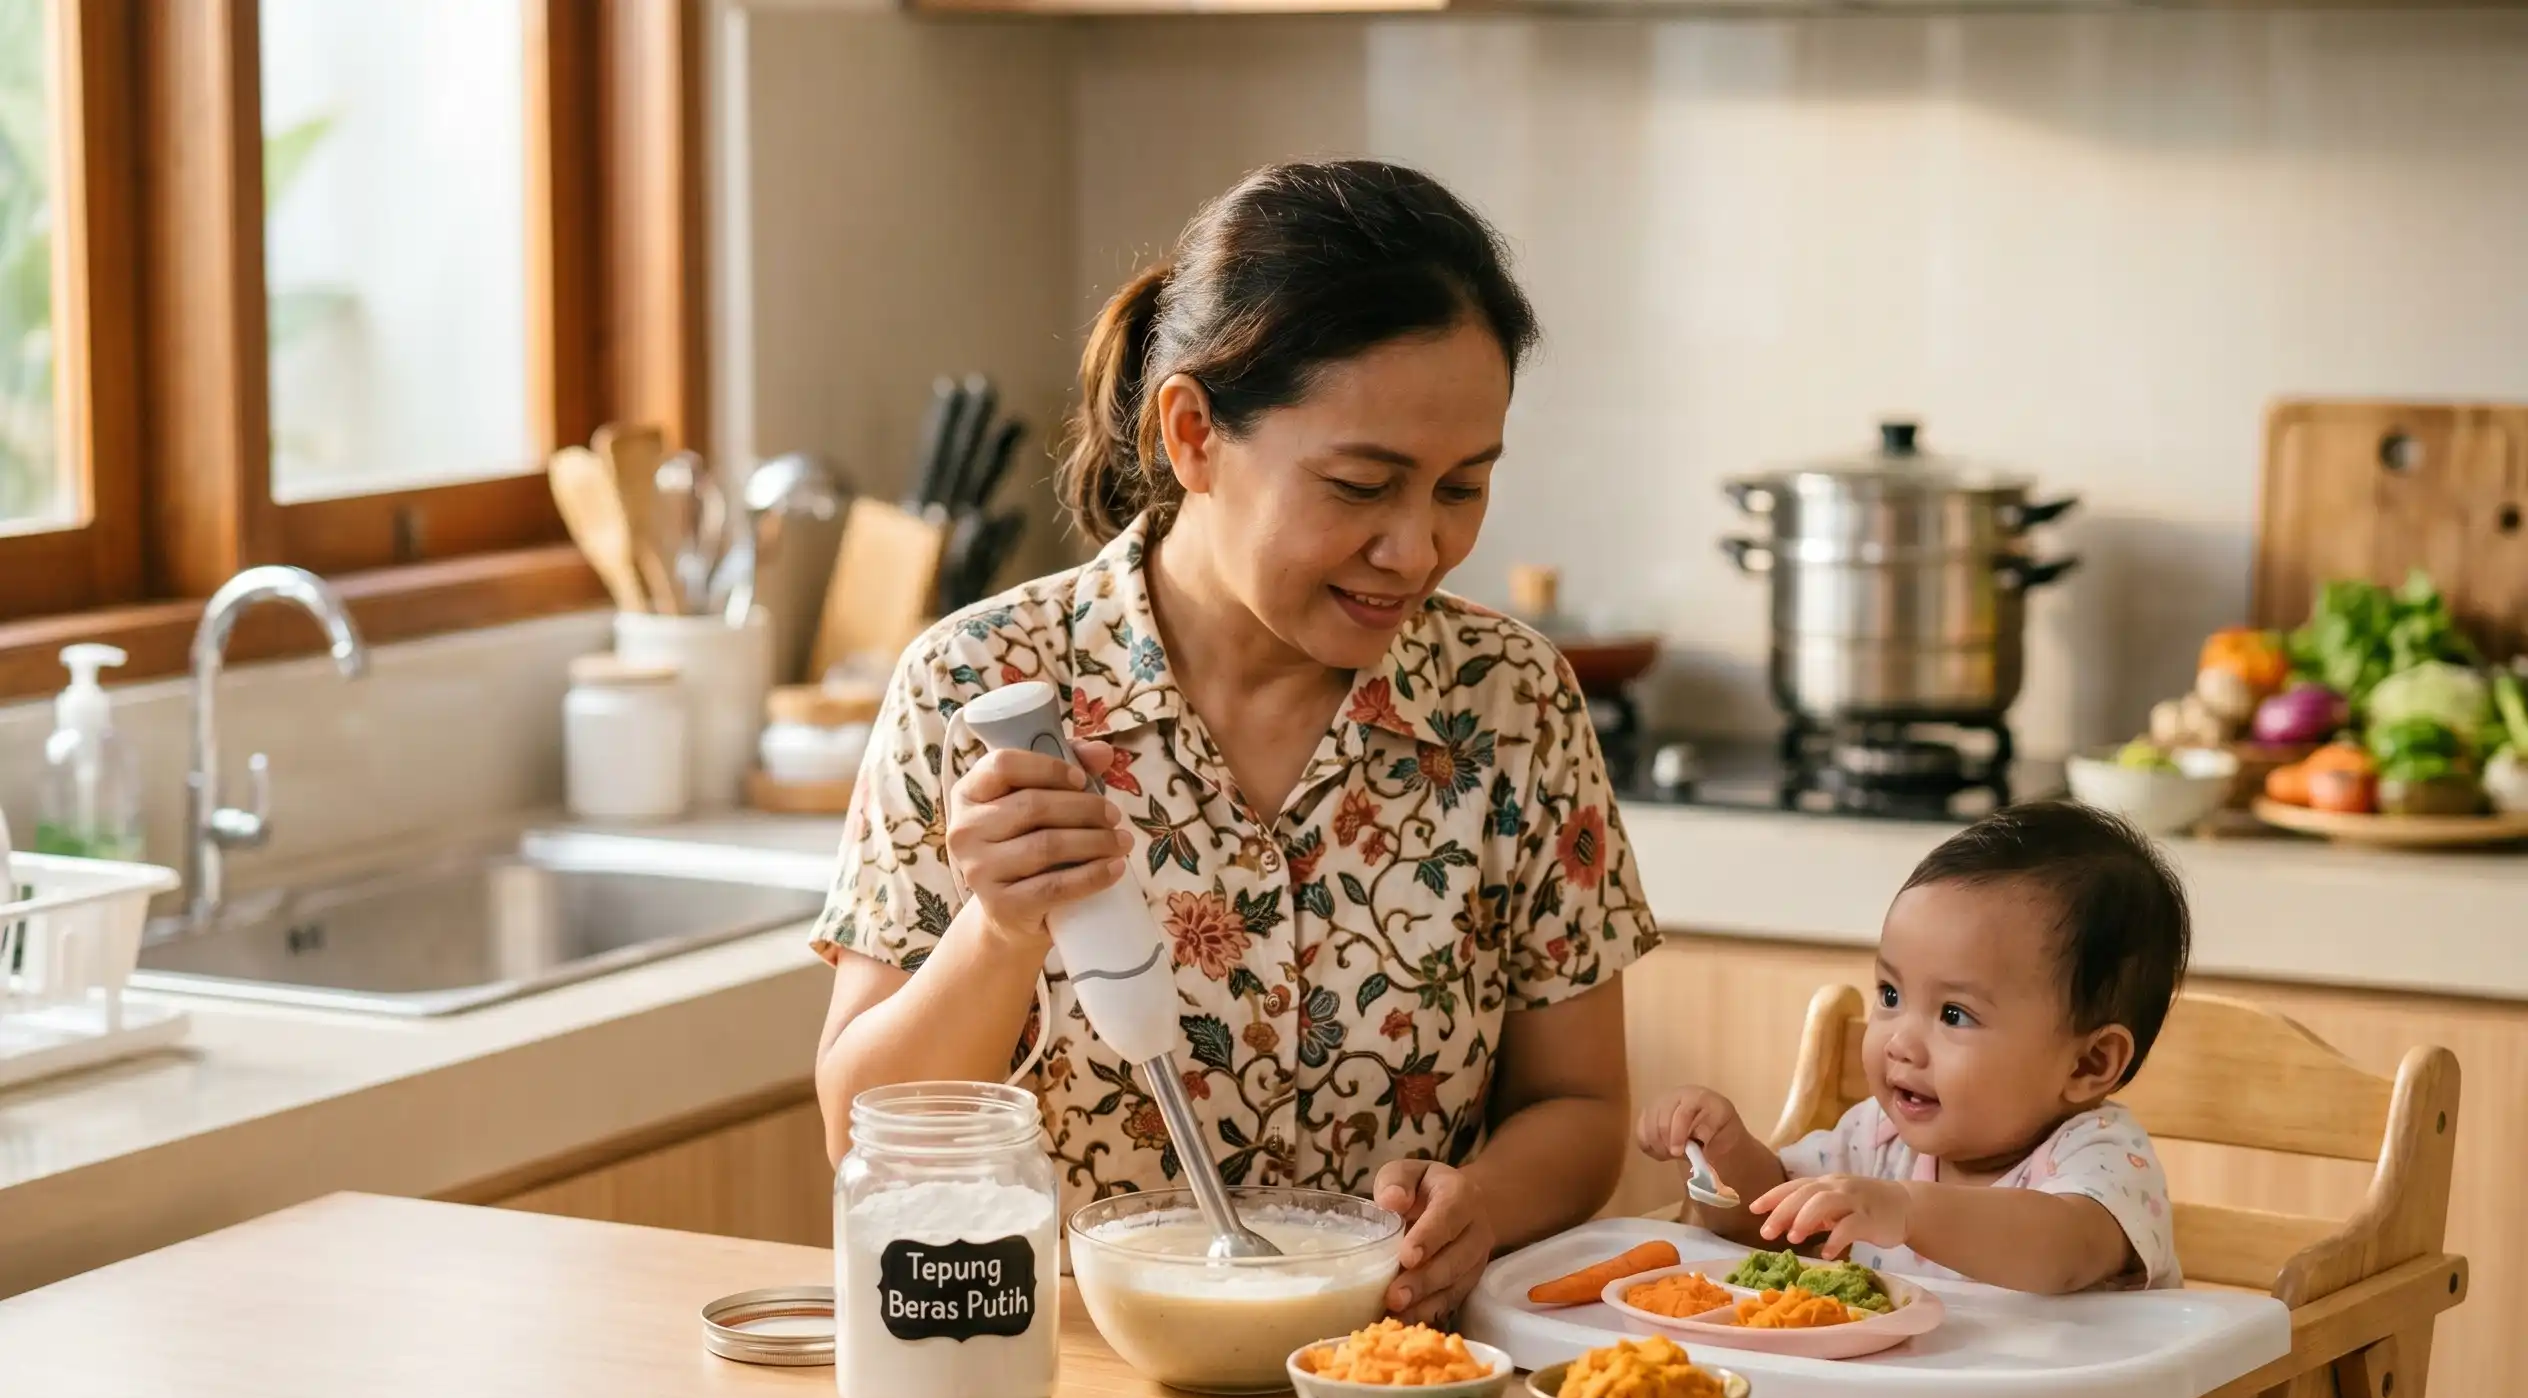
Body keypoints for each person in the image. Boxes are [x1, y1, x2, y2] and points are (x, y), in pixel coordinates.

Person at [813, 160, 1662, 1323]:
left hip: (1404, 1385)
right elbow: (864, 1128)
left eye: (1460, 488)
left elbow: (1578, 1107)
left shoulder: (1509, 702)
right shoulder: (978, 687)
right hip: (1073, 1381)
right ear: (1192, 431)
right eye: (1362, 485)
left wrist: (1484, 1204)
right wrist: (1000, 926)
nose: (1414, 551)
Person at [1636, 801, 2191, 1294]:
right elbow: (1780, 1222)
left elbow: (2060, 1253)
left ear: (2089, 1063)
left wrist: (1907, 1210)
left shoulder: (2104, 1159)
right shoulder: (1878, 1137)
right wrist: (1727, 1152)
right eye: (1891, 994)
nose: (1900, 1041)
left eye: (1954, 1014)